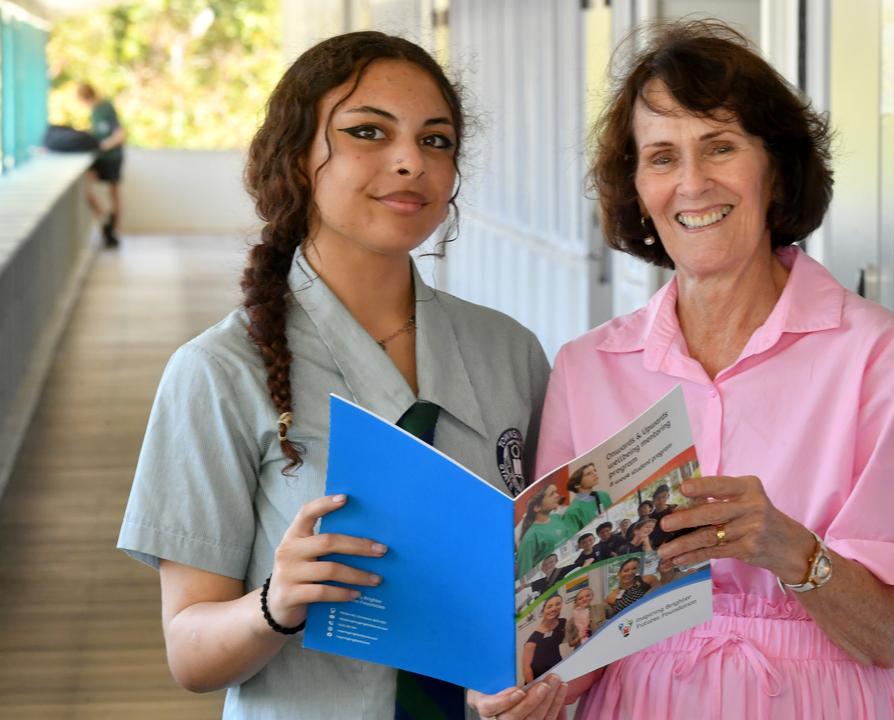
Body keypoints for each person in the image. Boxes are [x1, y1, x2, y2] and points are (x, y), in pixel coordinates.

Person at [115, 32, 565, 720]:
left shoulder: (511, 350)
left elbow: (538, 582)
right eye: (368, 133)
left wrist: (538, 676)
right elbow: (190, 654)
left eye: (436, 141)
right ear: (298, 158)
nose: (411, 161)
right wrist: (275, 603)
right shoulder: (216, 372)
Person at [534, 20, 894, 719]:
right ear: (636, 187)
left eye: (719, 146)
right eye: (661, 157)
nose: (692, 183)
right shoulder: (586, 368)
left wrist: (786, 548)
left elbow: (887, 635)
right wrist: (536, 691)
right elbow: (568, 630)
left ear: (775, 168)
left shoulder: (869, 350)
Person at [77, 82, 126, 247]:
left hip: (112, 157)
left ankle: (113, 231)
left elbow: (120, 135)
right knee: (87, 191)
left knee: (114, 193)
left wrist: (105, 144)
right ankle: (105, 221)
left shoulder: (106, 108)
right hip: (99, 158)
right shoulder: (93, 112)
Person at [516, 483, 599, 577]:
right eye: (552, 494)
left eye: (556, 492)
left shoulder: (556, 518)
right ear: (537, 507)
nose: (557, 495)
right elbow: (523, 574)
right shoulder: (531, 536)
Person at [523, 595, 568, 684]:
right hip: (540, 679)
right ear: (543, 610)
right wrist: (534, 688)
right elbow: (526, 668)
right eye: (549, 606)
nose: (554, 609)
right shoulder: (533, 640)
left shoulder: (562, 623)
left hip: (557, 672)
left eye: (557, 604)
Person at [644, 483, 680, 548]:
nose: (661, 500)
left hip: (677, 543)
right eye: (658, 498)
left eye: (664, 497)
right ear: (654, 499)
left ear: (668, 496)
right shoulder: (649, 517)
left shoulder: (674, 509)